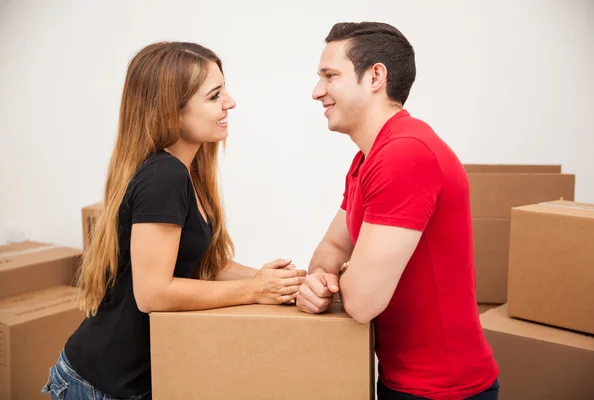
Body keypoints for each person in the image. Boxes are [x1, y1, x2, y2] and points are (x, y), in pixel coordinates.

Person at [42, 41, 306, 400]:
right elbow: (153, 293)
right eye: (214, 96)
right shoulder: (163, 176)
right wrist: (256, 290)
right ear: (173, 110)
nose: (230, 102)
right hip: (101, 384)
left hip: (134, 378)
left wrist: (282, 282)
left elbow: (199, 263)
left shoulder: (184, 170)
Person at [296, 22, 500, 400]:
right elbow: (331, 250)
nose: (316, 91)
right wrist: (321, 281)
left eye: (330, 76)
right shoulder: (367, 159)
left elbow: (362, 302)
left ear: (375, 76)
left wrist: (338, 279)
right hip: (400, 380)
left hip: (443, 390)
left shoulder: (405, 155)